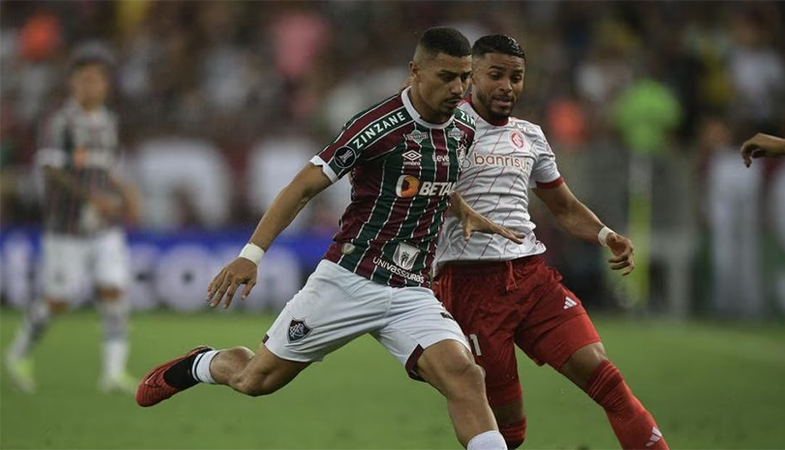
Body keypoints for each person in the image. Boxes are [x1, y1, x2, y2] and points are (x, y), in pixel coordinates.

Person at [135, 27, 522, 450]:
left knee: (466, 375)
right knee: (255, 380)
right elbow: (302, 187)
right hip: (350, 278)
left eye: (464, 77)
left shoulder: (464, 124)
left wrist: (460, 207)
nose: (458, 89)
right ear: (415, 71)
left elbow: (434, 175)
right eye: (446, 77)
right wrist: (251, 254)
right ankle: (201, 363)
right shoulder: (375, 127)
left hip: (411, 290)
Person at [433, 35, 669, 449]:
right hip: (471, 286)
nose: (507, 86)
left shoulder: (530, 135)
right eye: (495, 75)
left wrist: (605, 234)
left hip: (531, 278)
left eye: (516, 77)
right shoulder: (444, 129)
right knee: (509, 429)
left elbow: (564, 207)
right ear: (471, 77)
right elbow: (417, 186)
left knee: (606, 379)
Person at [5, 44, 140, 394]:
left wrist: (124, 190)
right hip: (66, 226)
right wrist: (93, 197)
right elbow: (50, 168)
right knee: (58, 299)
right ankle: (18, 352)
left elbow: (103, 169)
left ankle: (113, 373)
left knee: (114, 291)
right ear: (72, 83)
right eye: (84, 79)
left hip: (104, 226)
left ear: (106, 84)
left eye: (96, 79)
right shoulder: (60, 121)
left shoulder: (108, 121)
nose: (90, 86)